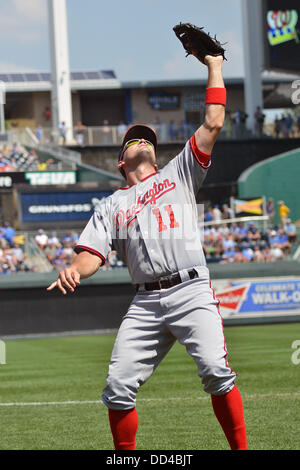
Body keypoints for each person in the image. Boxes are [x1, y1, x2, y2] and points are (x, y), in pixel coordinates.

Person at [47, 55, 247, 450]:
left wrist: (214, 67)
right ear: (122, 162)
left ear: (155, 154)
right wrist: (73, 268)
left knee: (216, 372)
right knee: (118, 384)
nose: (141, 141)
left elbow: (214, 122)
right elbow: (91, 255)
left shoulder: (180, 171)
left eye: (147, 139)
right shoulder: (111, 205)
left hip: (191, 289)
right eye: (133, 139)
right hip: (146, 302)